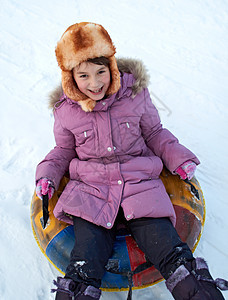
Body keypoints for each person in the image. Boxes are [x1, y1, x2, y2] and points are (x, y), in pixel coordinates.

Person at [35, 22, 227, 300]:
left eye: (101, 72)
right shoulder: (67, 112)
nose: (95, 83)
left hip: (140, 187)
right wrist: (47, 176)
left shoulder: (134, 95)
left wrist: (179, 158)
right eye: (84, 75)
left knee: (168, 248)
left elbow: (154, 133)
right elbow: (62, 151)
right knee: (86, 258)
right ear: (70, 78)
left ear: (112, 68)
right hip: (92, 192)